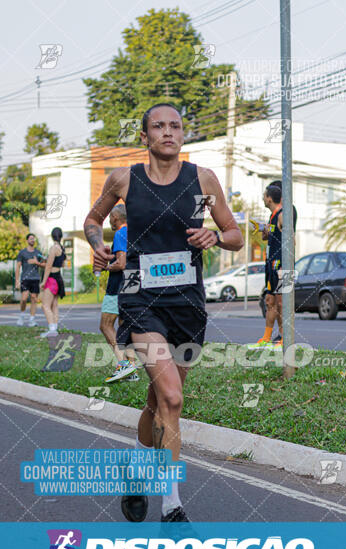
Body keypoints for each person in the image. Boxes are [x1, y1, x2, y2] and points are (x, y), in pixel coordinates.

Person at [84, 103, 243, 522]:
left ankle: (136, 476)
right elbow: (92, 219)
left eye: (175, 126)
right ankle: (172, 507)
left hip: (187, 305)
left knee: (159, 402)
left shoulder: (203, 179)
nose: (168, 132)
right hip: (141, 302)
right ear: (145, 136)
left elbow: (235, 234)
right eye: (159, 126)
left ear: (183, 135)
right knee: (173, 396)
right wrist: (96, 244)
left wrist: (215, 235)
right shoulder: (124, 179)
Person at [248, 180, 297, 349]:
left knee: (284, 302)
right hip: (271, 264)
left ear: (269, 198)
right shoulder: (273, 216)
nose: (263, 198)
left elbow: (292, 241)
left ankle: (285, 339)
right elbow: (268, 237)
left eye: (264, 195)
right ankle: (266, 338)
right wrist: (264, 229)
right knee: (270, 301)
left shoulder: (286, 213)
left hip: (284, 265)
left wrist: (286, 264)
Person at [100, 204, 139, 383]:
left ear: (116, 217)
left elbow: (121, 263)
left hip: (118, 285)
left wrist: (107, 266)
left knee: (106, 325)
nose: (109, 220)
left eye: (110, 217)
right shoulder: (135, 232)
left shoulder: (120, 233)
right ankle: (132, 370)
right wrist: (111, 258)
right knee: (125, 327)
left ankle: (123, 363)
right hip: (133, 283)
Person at [40, 227, 66, 338]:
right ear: (61, 236)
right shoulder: (61, 248)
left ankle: (51, 330)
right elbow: (63, 264)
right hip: (58, 278)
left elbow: (48, 266)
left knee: (45, 305)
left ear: (52, 236)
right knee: (54, 305)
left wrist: (43, 282)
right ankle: (54, 328)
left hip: (51, 279)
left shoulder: (53, 248)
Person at [15, 233, 46, 327]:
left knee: (34, 299)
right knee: (24, 299)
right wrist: (17, 280)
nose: (33, 240)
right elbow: (18, 267)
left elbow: (45, 265)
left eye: (34, 239)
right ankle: (22, 315)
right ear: (27, 240)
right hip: (25, 278)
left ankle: (32, 320)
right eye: (31, 238)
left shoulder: (38, 253)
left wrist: (37, 263)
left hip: (35, 278)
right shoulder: (22, 253)